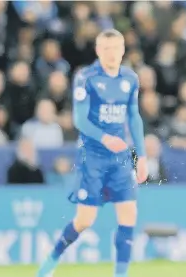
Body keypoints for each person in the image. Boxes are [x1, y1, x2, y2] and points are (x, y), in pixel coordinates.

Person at [37, 29, 147, 277]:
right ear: (98, 51)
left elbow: (134, 117)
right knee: (85, 220)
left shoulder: (130, 78)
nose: (112, 54)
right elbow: (79, 119)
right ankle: (50, 262)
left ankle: (121, 274)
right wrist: (105, 138)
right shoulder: (86, 77)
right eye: (106, 49)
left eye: (116, 48)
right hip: (93, 157)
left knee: (129, 214)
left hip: (119, 159)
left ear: (122, 50)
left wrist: (142, 156)